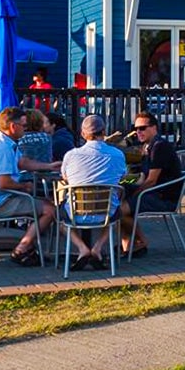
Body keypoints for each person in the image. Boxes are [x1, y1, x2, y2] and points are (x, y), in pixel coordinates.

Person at [0, 106, 58, 267]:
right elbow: (4, 183)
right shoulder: (3, 149)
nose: (26, 128)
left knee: (45, 204)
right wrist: (24, 187)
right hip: (0, 202)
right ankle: (22, 248)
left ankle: (30, 248)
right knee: (50, 210)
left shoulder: (5, 141)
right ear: (13, 127)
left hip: (1, 197)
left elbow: (23, 162)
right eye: (24, 125)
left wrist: (49, 166)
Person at [59, 114, 129, 270]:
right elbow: (123, 176)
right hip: (106, 212)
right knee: (116, 215)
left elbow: (65, 178)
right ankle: (97, 248)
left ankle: (82, 249)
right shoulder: (117, 155)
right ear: (104, 132)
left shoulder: (71, 155)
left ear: (83, 134)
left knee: (60, 220)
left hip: (76, 213)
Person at [124, 110, 183, 256]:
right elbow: (142, 176)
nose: (138, 132)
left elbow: (151, 181)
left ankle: (141, 242)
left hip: (164, 197)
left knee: (117, 211)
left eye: (142, 128)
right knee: (118, 196)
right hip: (155, 192)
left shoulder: (159, 147)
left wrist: (135, 193)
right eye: (136, 128)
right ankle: (128, 246)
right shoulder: (147, 146)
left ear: (154, 128)